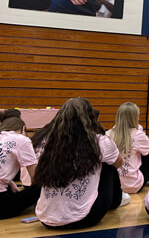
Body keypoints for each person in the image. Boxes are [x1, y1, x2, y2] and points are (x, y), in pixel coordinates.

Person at [35, 97, 124, 229]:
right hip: (84, 217)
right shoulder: (99, 141)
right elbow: (119, 163)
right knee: (108, 164)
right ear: (90, 118)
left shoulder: (48, 141)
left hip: (46, 218)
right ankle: (115, 202)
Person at [0, 117, 41, 220]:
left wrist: (9, 182)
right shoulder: (22, 140)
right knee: (40, 187)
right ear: (23, 129)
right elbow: (36, 179)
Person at [106, 103, 149, 194]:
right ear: (133, 118)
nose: (138, 119)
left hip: (114, 186)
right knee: (148, 155)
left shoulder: (108, 134)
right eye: (137, 116)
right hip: (133, 185)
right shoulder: (138, 135)